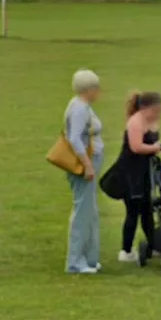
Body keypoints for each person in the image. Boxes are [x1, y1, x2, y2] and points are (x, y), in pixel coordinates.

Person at [116, 91, 161, 262]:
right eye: (156, 110)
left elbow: (151, 144)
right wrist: (156, 148)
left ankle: (155, 245)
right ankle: (126, 250)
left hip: (144, 171)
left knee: (147, 210)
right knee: (133, 211)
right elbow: (136, 147)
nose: (158, 114)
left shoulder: (150, 121)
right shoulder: (135, 121)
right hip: (131, 173)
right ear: (145, 108)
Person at [64, 70, 104, 274]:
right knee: (82, 212)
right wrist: (87, 165)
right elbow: (74, 138)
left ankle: (90, 257)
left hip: (91, 159)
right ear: (89, 89)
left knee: (90, 211)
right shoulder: (79, 108)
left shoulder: (82, 106)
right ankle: (75, 262)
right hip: (85, 163)